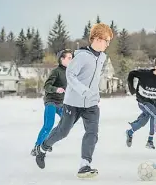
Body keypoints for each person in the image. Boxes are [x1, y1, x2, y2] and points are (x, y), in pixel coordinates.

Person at [34, 23, 113, 178]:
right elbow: (70, 75)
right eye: (106, 40)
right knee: (63, 132)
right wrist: (83, 90)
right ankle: (42, 148)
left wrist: (95, 95)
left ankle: (85, 165)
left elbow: (94, 78)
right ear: (97, 39)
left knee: (92, 132)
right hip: (73, 102)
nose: (108, 44)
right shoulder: (82, 56)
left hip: (91, 104)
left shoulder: (103, 57)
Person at [31, 49, 73, 156]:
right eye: (69, 58)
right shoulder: (56, 71)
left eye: (72, 57)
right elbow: (47, 86)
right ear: (61, 59)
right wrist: (56, 89)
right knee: (48, 125)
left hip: (62, 103)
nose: (71, 60)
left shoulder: (70, 72)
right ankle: (37, 146)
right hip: (51, 102)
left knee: (66, 124)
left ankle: (47, 142)